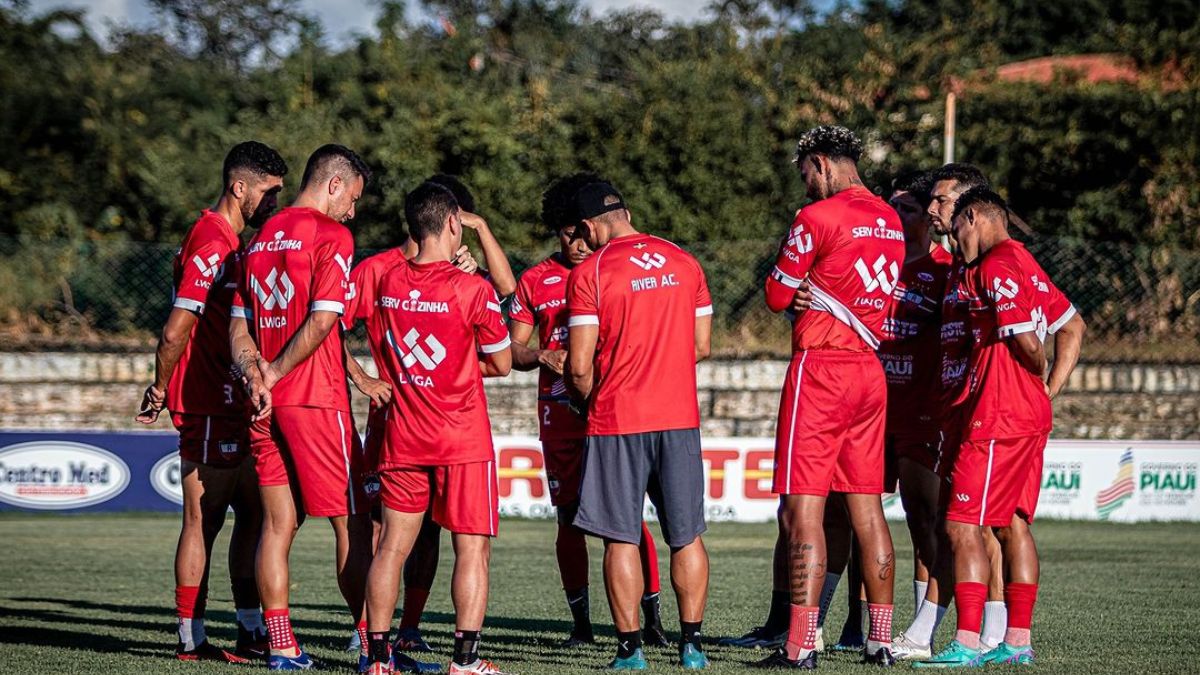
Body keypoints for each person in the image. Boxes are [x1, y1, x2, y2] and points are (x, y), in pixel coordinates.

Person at [341, 174, 509, 662]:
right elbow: (498, 363)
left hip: (402, 435)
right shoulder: (471, 289)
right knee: (471, 550)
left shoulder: (383, 277)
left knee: (391, 546)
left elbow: (326, 321)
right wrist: (455, 363)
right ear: (455, 223)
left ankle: (376, 659)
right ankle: (465, 662)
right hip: (461, 438)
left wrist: (363, 376)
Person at [915, 188, 1085, 668]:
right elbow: (1074, 325)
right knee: (1012, 524)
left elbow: (1029, 343)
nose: (954, 238)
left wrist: (1037, 369)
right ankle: (1017, 640)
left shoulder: (995, 266)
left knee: (961, 524)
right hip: (1027, 414)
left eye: (956, 226)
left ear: (974, 217)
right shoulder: (1024, 261)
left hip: (997, 416)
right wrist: (1048, 389)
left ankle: (968, 642)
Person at [755, 125, 903, 669]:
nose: (807, 188)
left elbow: (775, 296)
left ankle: (800, 644)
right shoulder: (891, 219)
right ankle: (880, 641)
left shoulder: (816, 217)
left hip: (821, 369)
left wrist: (803, 284)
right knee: (868, 509)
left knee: (803, 508)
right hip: (870, 371)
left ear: (820, 163)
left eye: (806, 176)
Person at [137, 141, 287, 663]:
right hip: (206, 400)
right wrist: (160, 386)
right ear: (238, 187)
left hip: (238, 398)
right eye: (267, 193)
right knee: (204, 520)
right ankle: (191, 639)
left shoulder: (238, 242)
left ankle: (249, 629)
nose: (272, 204)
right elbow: (176, 329)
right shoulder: (210, 239)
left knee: (252, 514)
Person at [229, 143, 374, 671]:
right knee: (351, 524)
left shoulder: (260, 238)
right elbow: (322, 320)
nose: (352, 211)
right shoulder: (331, 235)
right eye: (352, 198)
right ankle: (371, 644)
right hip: (314, 398)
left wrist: (256, 374)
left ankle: (282, 645)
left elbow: (237, 326)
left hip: (262, 402)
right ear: (333, 184)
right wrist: (277, 372)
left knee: (277, 524)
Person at [508, 172, 667, 649]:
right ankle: (581, 625)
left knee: (628, 520)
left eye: (583, 232)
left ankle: (651, 619)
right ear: (557, 231)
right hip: (560, 416)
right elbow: (508, 351)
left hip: (614, 411)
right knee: (569, 518)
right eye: (568, 233)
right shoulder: (535, 280)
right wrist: (541, 355)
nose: (578, 243)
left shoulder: (614, 269)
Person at [564, 178, 713, 670]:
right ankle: (692, 647)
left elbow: (580, 364)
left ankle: (630, 651)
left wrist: (590, 400)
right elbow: (702, 346)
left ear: (589, 225)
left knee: (620, 537)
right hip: (678, 417)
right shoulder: (684, 260)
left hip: (617, 418)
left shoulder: (591, 271)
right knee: (686, 535)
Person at [891, 163, 1000, 661]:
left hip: (970, 415)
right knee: (951, 525)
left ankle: (988, 635)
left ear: (969, 204)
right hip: (943, 411)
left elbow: (1057, 325)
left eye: (939, 200)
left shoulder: (996, 263)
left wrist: (1040, 384)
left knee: (971, 526)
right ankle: (981, 635)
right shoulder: (961, 265)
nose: (934, 210)